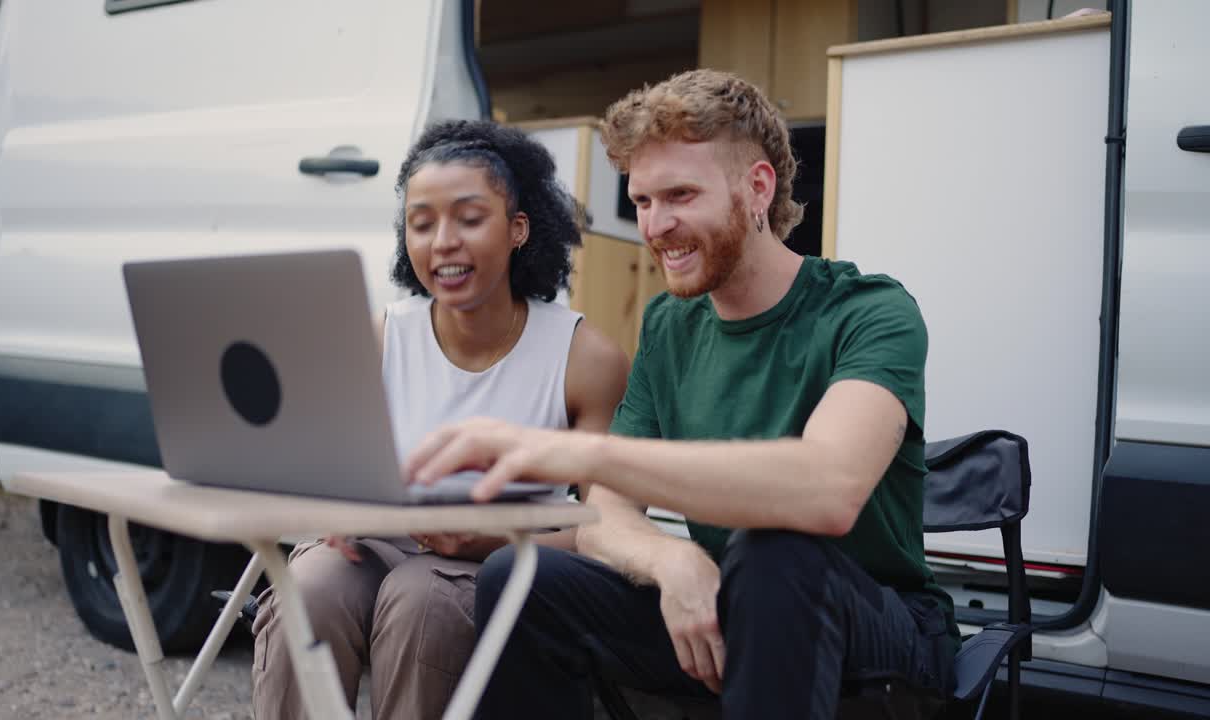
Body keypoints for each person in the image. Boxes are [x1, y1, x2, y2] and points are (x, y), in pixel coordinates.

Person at [404, 70, 960, 719]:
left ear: (758, 187)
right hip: (731, 608)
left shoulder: (870, 311)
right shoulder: (670, 325)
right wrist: (672, 559)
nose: (656, 226)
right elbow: (604, 517)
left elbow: (827, 491)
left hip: (878, 632)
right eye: (642, 201)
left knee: (777, 551)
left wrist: (571, 454)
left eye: (679, 195)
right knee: (520, 575)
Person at [251, 119, 629, 720]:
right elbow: (328, 466)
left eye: (469, 219)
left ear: (518, 230)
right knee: (310, 591)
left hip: (496, 560)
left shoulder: (585, 359)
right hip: (373, 547)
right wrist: (334, 504)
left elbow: (603, 526)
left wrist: (494, 538)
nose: (442, 242)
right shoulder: (383, 335)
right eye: (421, 224)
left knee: (422, 599)